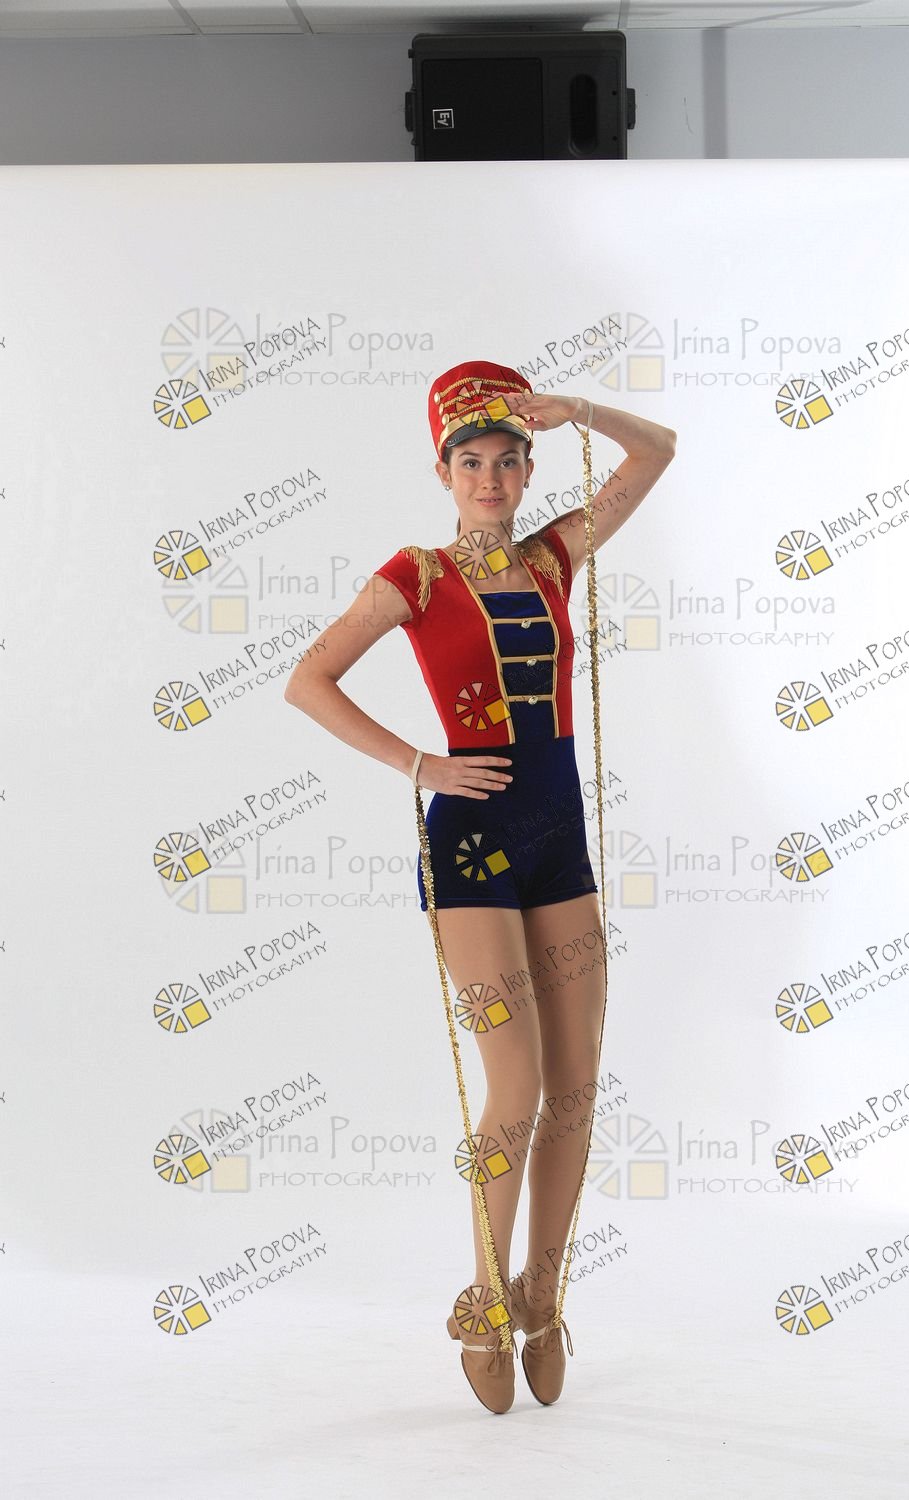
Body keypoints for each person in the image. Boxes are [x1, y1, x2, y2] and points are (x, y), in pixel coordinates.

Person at [284, 359, 677, 1414]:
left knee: (577, 1084)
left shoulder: (555, 555)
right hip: (471, 847)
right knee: (516, 1083)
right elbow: (307, 679)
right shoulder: (414, 575)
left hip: (559, 839)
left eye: (509, 459)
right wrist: (420, 764)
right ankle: (484, 1295)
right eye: (472, 462)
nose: (492, 478)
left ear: (529, 467)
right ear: (444, 473)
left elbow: (658, 453)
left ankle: (544, 1291)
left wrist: (581, 409)